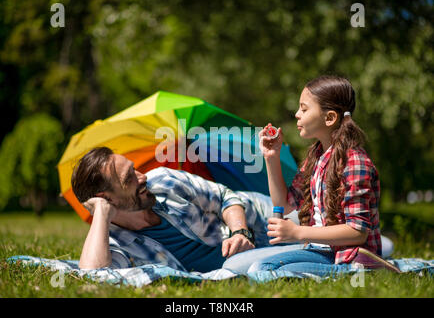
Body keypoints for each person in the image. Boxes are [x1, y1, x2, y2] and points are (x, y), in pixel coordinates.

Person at [246, 75, 400, 276]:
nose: (296, 114)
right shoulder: (316, 158)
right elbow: (283, 204)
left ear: (329, 118)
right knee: (258, 268)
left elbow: (357, 232)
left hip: (349, 257)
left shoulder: (354, 162)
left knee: (262, 270)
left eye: (304, 108)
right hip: (320, 251)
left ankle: (365, 273)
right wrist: (271, 157)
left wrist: (298, 233)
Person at [72, 146, 303, 272]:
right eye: (128, 179)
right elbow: (94, 275)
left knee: (322, 222)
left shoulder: (162, 180)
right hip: (245, 260)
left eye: (134, 169)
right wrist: (101, 213)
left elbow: (225, 196)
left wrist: (239, 231)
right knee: (242, 265)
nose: (142, 177)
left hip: (264, 217)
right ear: (106, 198)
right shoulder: (116, 243)